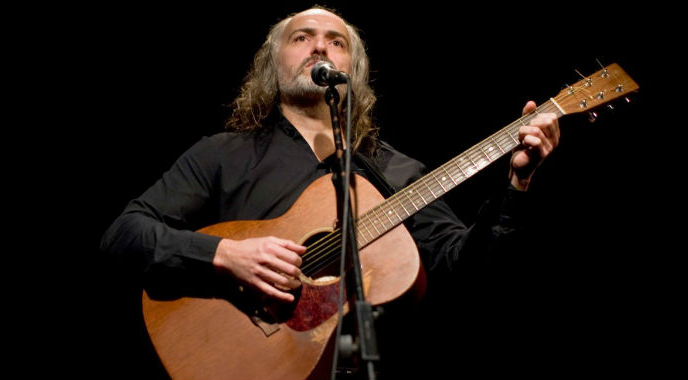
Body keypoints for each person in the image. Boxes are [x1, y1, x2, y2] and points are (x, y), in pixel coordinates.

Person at [100, 6, 560, 379]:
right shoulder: (222, 155)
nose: (320, 45)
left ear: (351, 71)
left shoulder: (396, 169)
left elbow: (465, 269)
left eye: (336, 42)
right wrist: (225, 255)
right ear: (272, 63)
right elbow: (124, 235)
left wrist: (518, 184)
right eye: (302, 37)